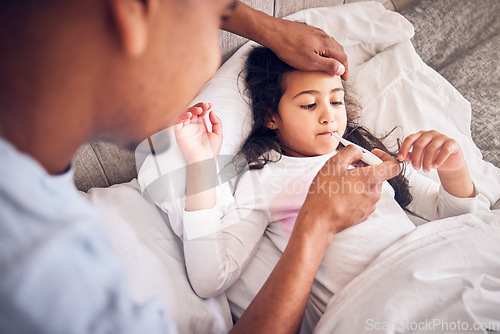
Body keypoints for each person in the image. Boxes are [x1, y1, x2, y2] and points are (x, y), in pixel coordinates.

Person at [0, 1, 381, 333]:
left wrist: (271, 30)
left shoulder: (29, 184)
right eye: (210, 26)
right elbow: (211, 273)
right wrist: (316, 225)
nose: (214, 64)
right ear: (134, 15)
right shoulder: (47, 283)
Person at [174, 46, 491, 332]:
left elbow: (451, 218)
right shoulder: (266, 179)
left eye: (336, 100)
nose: (329, 116)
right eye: (309, 105)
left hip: (434, 266)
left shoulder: (365, 155)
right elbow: (210, 278)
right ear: (272, 117)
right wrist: (200, 166)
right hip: (382, 301)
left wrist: (454, 169)